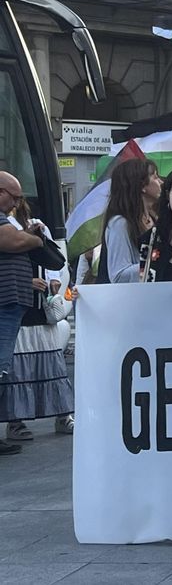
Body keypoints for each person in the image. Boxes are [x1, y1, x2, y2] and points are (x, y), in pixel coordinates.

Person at [1, 200, 73, 440]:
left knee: (50, 359)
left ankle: (62, 414)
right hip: (21, 301)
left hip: (40, 303)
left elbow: (53, 257)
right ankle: (16, 421)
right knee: (18, 365)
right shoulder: (8, 229)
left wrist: (53, 279)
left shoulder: (37, 226)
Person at [0, 171, 43, 455]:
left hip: (10, 304)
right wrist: (35, 240)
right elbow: (11, 242)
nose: (15, 204)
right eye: (12, 196)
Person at [98, 159, 160, 283]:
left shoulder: (154, 219)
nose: (161, 182)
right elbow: (119, 275)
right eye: (155, 177)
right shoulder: (120, 223)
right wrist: (157, 265)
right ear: (142, 185)